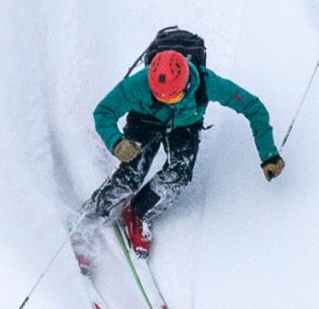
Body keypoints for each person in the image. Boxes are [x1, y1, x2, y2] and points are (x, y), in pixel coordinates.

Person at [82, 29, 284, 254]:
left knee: (179, 174)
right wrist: (116, 142)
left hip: (185, 125)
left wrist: (269, 154)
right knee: (131, 175)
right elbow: (104, 112)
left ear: (187, 84)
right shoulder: (139, 83)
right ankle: (88, 219)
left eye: (173, 97)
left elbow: (253, 108)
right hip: (145, 119)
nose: (166, 101)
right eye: (159, 96)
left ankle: (137, 212)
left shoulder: (208, 83)